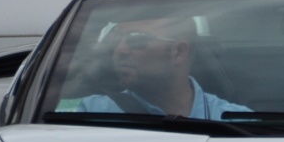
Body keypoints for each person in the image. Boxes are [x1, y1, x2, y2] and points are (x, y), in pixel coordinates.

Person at [73, 18, 250, 120]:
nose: (120, 50)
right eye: (115, 41)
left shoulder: (239, 123)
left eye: (137, 39)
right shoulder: (88, 113)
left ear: (179, 52)